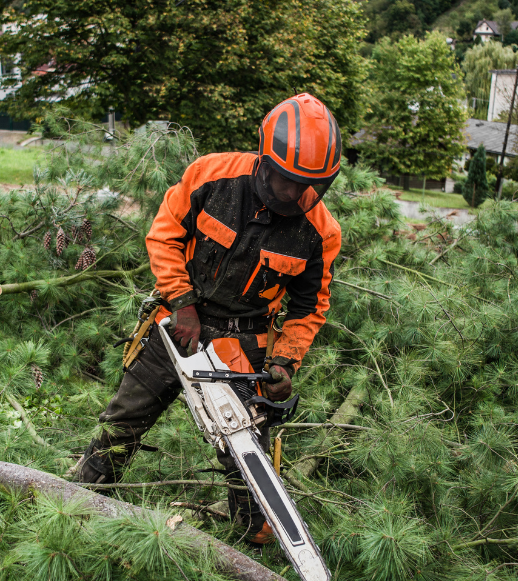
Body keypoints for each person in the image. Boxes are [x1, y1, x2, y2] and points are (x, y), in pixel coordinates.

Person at [70, 93, 343, 544]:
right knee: (125, 418)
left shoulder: (320, 230)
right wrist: (182, 301)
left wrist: (285, 363)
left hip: (245, 341)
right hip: (180, 325)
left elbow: (310, 307)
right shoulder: (212, 176)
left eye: (308, 186)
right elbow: (164, 234)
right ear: (266, 160)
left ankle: (252, 534)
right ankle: (82, 496)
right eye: (288, 182)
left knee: (245, 450)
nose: (296, 194)